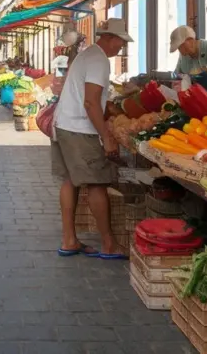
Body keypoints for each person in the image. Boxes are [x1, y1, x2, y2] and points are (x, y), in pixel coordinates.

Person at [53, 18, 132, 260]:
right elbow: (90, 102)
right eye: (120, 41)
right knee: (97, 183)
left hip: (63, 124)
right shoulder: (98, 60)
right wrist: (105, 136)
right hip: (79, 129)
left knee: (70, 180)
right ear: (109, 38)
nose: (122, 46)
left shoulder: (87, 55)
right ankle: (109, 245)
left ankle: (69, 240)